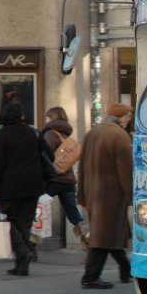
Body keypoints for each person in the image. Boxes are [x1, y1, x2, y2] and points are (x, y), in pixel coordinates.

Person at [0, 102, 44, 276]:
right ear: (21, 116)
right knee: (24, 223)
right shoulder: (33, 133)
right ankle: (22, 264)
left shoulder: (3, 135)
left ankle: (23, 253)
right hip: (32, 186)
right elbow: (48, 155)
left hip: (10, 188)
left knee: (7, 222)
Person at [77, 103, 134, 289]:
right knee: (103, 238)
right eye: (128, 117)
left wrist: (82, 195)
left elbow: (82, 168)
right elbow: (126, 170)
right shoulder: (120, 136)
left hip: (94, 193)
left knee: (110, 235)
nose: (129, 120)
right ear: (122, 117)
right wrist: (132, 196)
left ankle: (126, 270)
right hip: (111, 195)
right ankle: (90, 277)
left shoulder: (92, 133)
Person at [39, 107, 90, 254]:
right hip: (68, 181)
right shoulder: (65, 134)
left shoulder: (50, 133)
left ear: (52, 118)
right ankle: (89, 239)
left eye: (48, 117)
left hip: (54, 180)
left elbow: (45, 156)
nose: (46, 120)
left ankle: (31, 242)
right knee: (73, 214)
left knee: (39, 207)